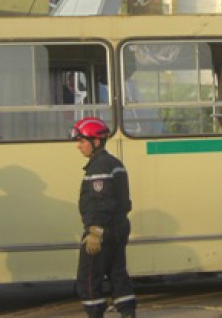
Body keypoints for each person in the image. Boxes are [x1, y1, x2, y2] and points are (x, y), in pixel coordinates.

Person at [71, 117, 136, 318]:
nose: (78, 146)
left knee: (88, 278)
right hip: (118, 228)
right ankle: (128, 314)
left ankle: (95, 314)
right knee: (117, 274)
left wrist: (95, 232)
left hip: (102, 232)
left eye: (82, 141)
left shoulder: (98, 167)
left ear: (96, 141)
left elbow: (102, 202)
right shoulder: (114, 163)